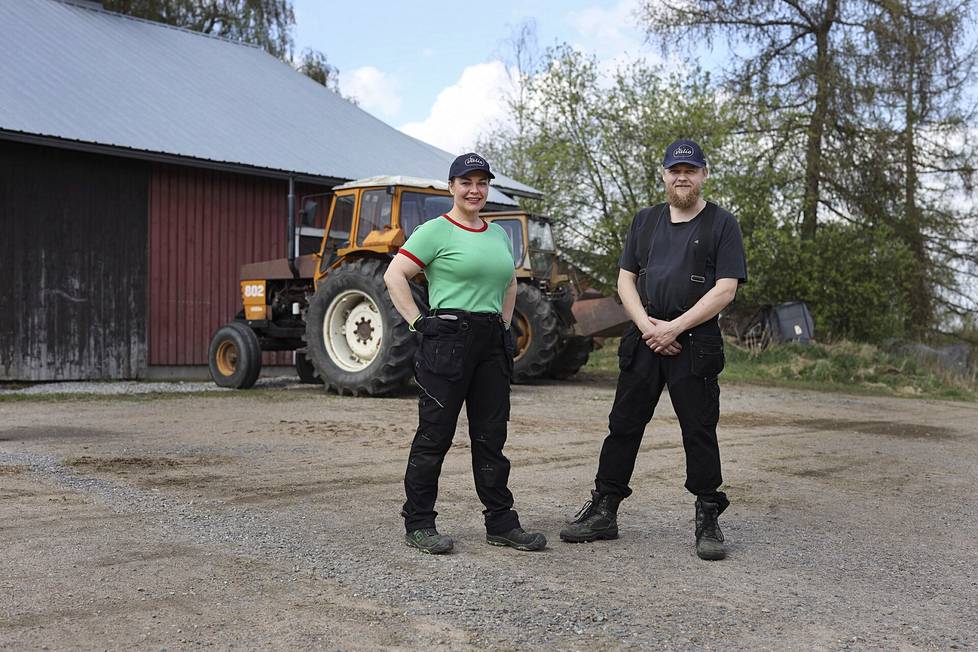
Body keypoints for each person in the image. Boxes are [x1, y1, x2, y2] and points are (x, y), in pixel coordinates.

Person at [559, 139, 747, 560]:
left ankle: (708, 518)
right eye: (674, 170)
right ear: (664, 174)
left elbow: (726, 289)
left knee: (698, 430)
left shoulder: (722, 224)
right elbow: (626, 279)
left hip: (695, 341)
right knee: (623, 425)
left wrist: (675, 328)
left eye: (690, 170)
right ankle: (604, 511)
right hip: (644, 338)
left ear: (704, 175)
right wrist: (646, 326)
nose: (682, 177)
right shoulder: (644, 221)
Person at [384, 152, 547, 555]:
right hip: (448, 340)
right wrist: (419, 323)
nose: (474, 190)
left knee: (491, 437)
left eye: (481, 183)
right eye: (466, 182)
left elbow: (509, 284)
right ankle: (419, 524)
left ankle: (501, 524)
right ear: (452, 186)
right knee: (434, 435)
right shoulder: (435, 231)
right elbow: (394, 275)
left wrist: (506, 327)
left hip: (491, 342)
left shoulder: (497, 234)